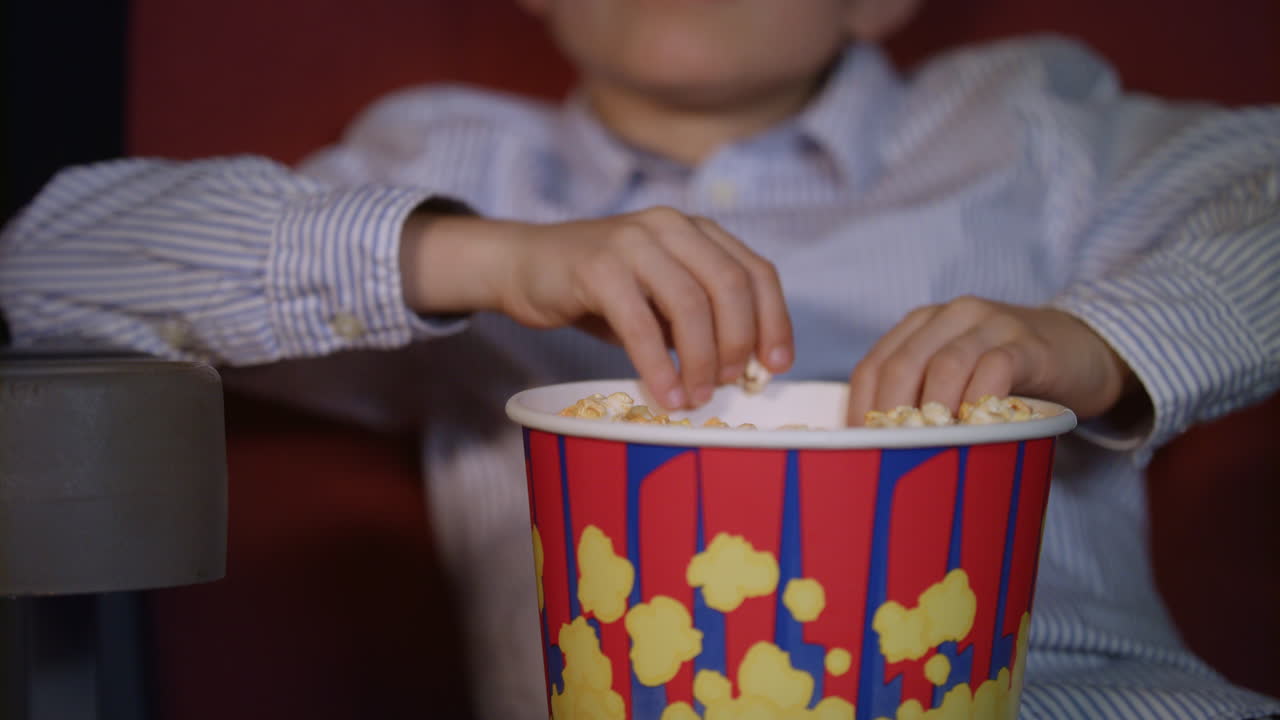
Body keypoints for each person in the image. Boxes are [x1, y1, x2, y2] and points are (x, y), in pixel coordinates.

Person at [2, 0, 1278, 717]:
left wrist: (1094, 341)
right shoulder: (451, 163)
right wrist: (475, 256)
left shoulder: (1033, 122)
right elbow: (46, 264)